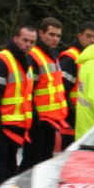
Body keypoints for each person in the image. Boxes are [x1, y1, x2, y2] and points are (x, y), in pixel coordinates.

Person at [0, 23, 37, 188]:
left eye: (32, 42)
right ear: (15, 39)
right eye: (24, 40)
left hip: (15, 130)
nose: (28, 45)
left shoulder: (25, 64)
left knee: (7, 177)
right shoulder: (1, 61)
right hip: (2, 130)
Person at [26, 17, 72, 169]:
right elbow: (28, 91)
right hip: (38, 121)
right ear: (41, 33)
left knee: (44, 162)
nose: (55, 39)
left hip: (50, 121)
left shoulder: (52, 56)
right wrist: (35, 117)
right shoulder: (34, 56)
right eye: (51, 35)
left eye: (58, 36)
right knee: (33, 163)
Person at [58, 23, 94, 138]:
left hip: (85, 119)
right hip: (72, 120)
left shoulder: (90, 58)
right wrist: (73, 115)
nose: (92, 41)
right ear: (79, 36)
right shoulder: (70, 59)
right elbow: (62, 91)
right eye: (88, 36)